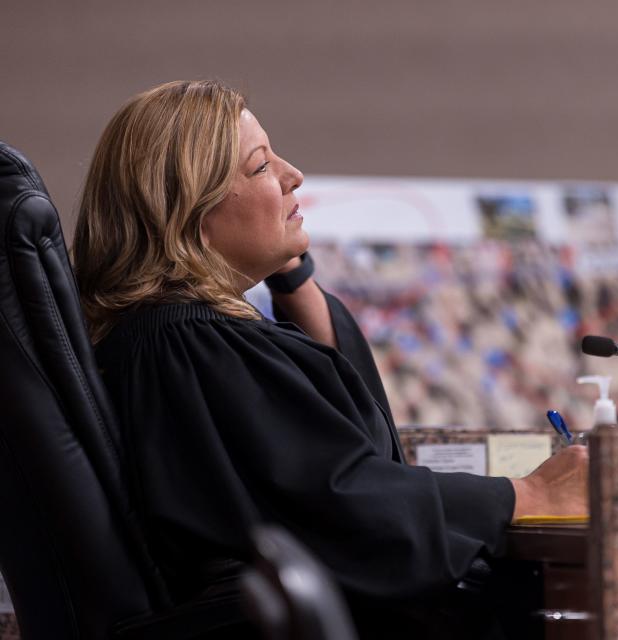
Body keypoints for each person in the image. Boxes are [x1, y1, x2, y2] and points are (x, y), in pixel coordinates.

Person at [71, 80, 588, 639]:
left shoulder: (165, 338)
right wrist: (527, 493)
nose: (293, 175)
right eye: (260, 166)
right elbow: (350, 502)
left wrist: (291, 274)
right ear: (191, 214)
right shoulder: (193, 343)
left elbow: (345, 440)